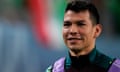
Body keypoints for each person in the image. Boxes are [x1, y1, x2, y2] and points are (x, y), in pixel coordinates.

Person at [46, 0, 120, 72]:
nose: (72, 31)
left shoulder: (115, 69)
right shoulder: (53, 70)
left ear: (96, 30)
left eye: (80, 24)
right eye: (67, 24)